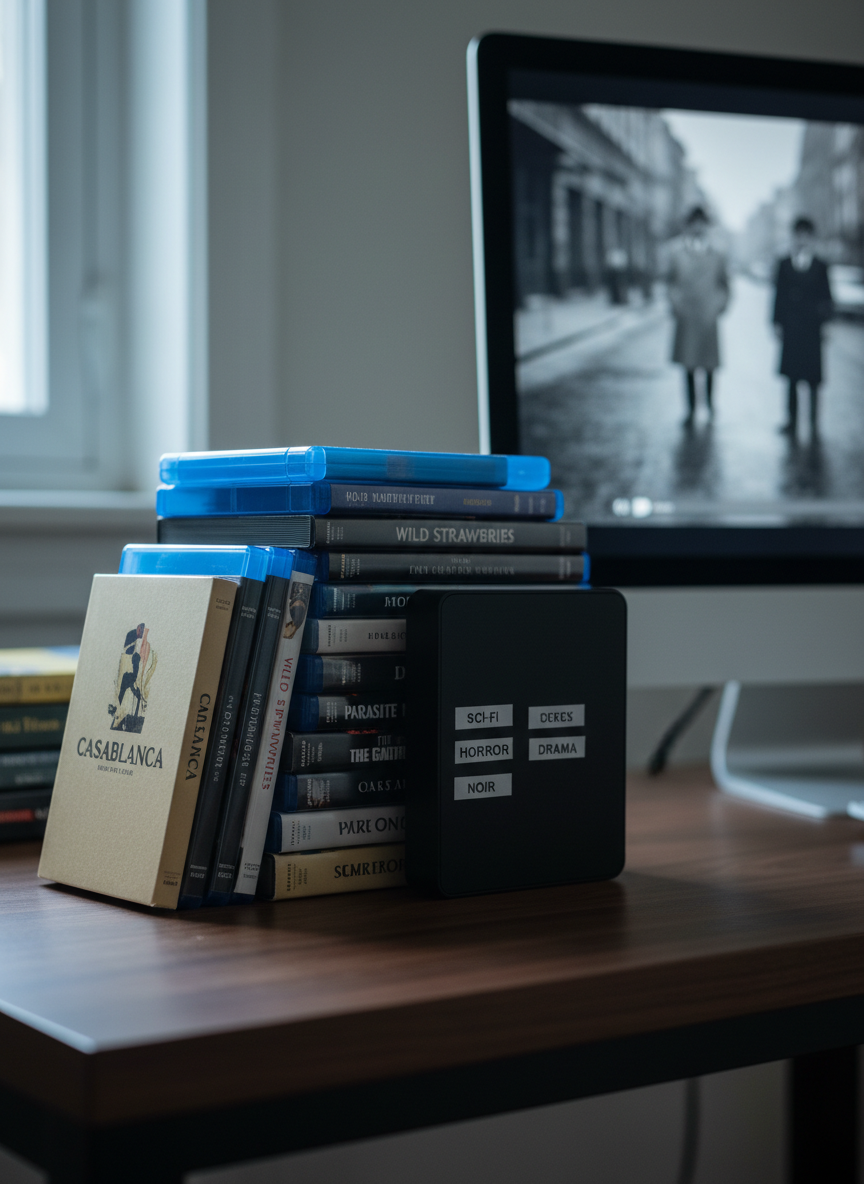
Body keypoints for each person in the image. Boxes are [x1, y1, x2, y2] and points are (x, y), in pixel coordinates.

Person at [667, 206, 730, 426]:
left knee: (710, 365)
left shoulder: (717, 253)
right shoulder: (676, 251)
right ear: (688, 225)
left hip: (708, 318)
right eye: (693, 222)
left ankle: (711, 405)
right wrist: (676, 304)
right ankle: (691, 409)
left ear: (706, 226)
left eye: (701, 223)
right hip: (687, 317)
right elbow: (670, 282)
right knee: (689, 365)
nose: (697, 227)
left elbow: (724, 285)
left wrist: (718, 307)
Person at [772, 216, 833, 436]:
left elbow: (827, 297)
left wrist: (826, 324)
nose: (802, 240)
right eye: (799, 236)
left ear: (811, 239)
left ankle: (814, 423)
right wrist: (777, 323)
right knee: (792, 377)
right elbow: (777, 296)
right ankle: (791, 421)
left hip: (812, 329)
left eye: (807, 236)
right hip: (791, 328)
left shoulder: (820, 266)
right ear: (794, 237)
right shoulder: (784, 264)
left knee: (813, 379)